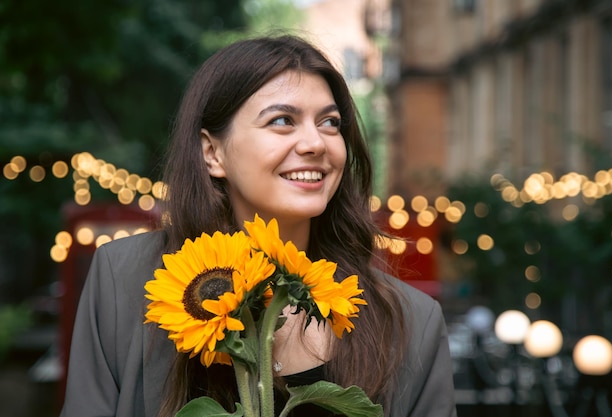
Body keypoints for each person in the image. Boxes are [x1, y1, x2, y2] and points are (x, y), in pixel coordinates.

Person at [60, 35, 457, 417]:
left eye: (330, 123)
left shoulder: (412, 323)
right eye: (283, 120)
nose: (316, 143)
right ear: (212, 153)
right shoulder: (124, 279)